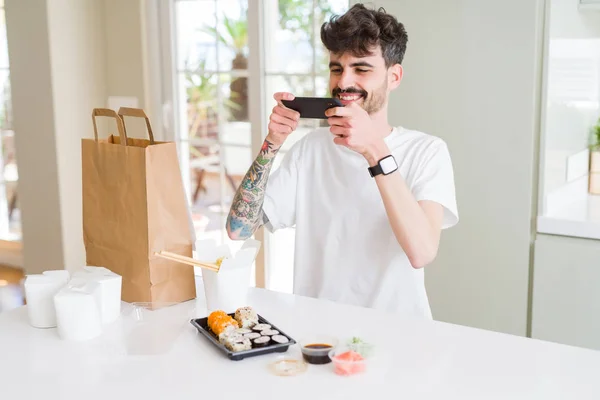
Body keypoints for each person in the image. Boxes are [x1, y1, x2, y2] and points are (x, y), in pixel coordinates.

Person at [226, 3, 458, 319]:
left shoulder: (427, 151)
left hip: (400, 337)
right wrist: (272, 144)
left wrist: (374, 151)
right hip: (319, 334)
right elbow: (238, 229)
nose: (344, 82)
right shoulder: (310, 150)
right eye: (337, 68)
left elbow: (421, 252)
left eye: (361, 69)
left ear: (394, 76)